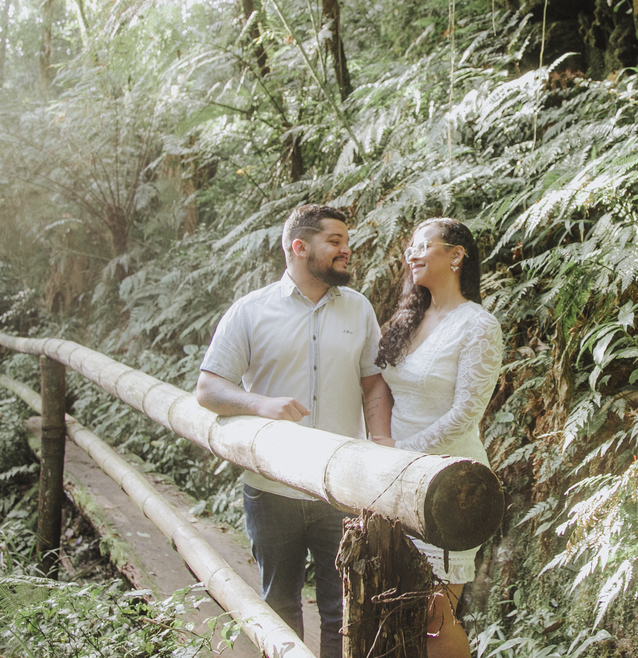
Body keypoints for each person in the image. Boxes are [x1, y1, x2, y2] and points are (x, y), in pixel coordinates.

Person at [194, 204, 392, 658]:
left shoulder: (359, 308)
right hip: (271, 487)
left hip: (342, 488)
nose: (347, 250)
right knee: (279, 607)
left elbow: (373, 383)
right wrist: (260, 404)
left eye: (346, 241)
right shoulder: (250, 311)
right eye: (335, 241)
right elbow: (208, 388)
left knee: (343, 612)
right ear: (300, 247)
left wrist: (381, 441)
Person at [372, 217, 504, 658]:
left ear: (455, 255)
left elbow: (466, 413)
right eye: (410, 247)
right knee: (393, 608)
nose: (412, 254)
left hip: (450, 485)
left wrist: (400, 454)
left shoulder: (478, 325)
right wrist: (383, 448)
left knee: (435, 616)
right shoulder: (407, 319)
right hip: (393, 480)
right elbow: (381, 389)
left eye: (423, 245)